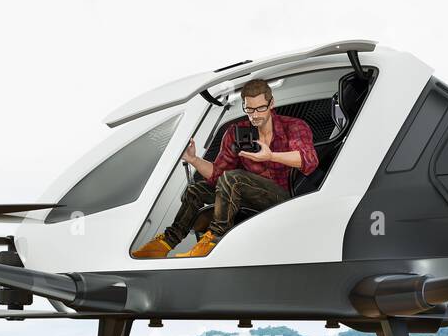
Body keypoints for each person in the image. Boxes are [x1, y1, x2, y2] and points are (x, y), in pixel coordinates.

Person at [133, 78, 318, 259]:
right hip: (244, 194)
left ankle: (213, 240)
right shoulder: (235, 133)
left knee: (234, 177)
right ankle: (164, 243)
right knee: (196, 189)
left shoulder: (293, 126)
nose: (254, 115)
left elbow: (309, 160)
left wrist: (270, 156)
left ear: (271, 103)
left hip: (281, 198)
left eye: (260, 108)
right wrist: (194, 159)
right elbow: (218, 175)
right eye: (249, 109)